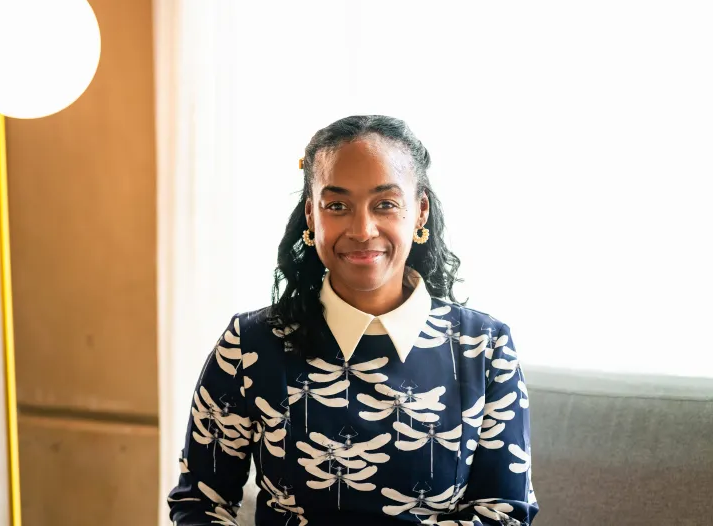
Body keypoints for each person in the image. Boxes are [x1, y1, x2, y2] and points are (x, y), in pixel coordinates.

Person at [168, 115, 538, 526]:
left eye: (385, 204)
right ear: (311, 215)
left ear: (420, 211)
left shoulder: (484, 349)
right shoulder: (249, 345)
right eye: (337, 206)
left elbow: (504, 514)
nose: (363, 230)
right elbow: (200, 504)